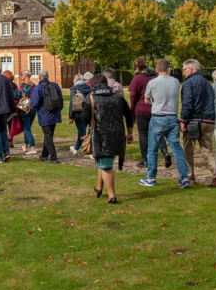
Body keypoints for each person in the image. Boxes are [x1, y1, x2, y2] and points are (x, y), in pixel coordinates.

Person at [81, 73, 134, 203]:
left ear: (93, 84)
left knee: (105, 166)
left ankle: (112, 196)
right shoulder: (118, 96)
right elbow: (129, 115)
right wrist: (130, 132)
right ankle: (99, 187)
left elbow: (85, 118)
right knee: (103, 161)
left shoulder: (91, 97)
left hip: (100, 135)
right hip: (117, 134)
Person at [138, 59, 190, 189]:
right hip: (172, 117)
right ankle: (184, 177)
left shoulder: (152, 83)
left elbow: (147, 100)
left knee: (152, 149)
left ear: (156, 70)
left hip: (158, 117)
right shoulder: (175, 81)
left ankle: (150, 177)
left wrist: (156, 102)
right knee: (177, 148)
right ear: (169, 69)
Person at [179, 59, 216, 187]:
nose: (183, 73)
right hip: (209, 120)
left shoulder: (189, 83)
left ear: (190, 69)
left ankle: (190, 177)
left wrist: (183, 120)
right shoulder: (207, 82)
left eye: (184, 70)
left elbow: (187, 104)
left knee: (188, 150)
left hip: (194, 121)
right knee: (207, 151)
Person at [129, 58, 170, 170]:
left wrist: (132, 110)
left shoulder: (137, 79)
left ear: (136, 67)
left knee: (143, 134)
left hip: (142, 109)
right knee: (158, 132)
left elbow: (133, 96)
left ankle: (145, 159)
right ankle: (165, 152)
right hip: (156, 108)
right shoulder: (155, 76)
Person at [29, 69, 62, 163]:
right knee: (48, 135)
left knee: (48, 136)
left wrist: (33, 107)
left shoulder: (39, 88)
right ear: (48, 76)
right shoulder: (55, 85)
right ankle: (44, 155)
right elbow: (60, 99)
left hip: (44, 114)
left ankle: (53, 158)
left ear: (39, 77)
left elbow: (34, 103)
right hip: (55, 113)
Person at [68, 72, 93, 155]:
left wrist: (71, 116)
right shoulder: (89, 87)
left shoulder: (74, 88)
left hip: (78, 113)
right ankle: (76, 148)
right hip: (87, 112)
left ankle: (89, 150)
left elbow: (72, 103)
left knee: (82, 132)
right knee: (82, 131)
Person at [17, 70, 37, 155]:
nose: (21, 75)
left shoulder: (22, 86)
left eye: (22, 74)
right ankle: (25, 145)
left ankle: (32, 147)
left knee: (26, 128)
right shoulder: (34, 85)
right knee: (27, 127)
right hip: (33, 109)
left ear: (25, 75)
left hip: (25, 109)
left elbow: (19, 95)